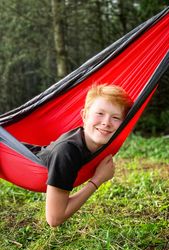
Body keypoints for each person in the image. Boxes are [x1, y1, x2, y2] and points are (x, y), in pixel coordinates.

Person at [28, 84, 132, 227]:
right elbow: (54, 219)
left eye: (115, 117)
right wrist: (97, 180)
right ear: (84, 115)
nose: (106, 123)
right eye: (100, 113)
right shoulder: (67, 151)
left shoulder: (103, 142)